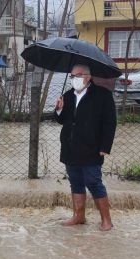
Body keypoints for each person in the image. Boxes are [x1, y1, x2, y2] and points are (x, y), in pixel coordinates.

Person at [54, 64, 117, 231]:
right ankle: (79, 216)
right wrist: (59, 110)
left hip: (92, 147)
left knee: (93, 182)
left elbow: (110, 123)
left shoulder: (103, 95)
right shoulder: (67, 95)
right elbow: (61, 120)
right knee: (75, 182)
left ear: (88, 76)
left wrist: (105, 146)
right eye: (72, 76)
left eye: (78, 75)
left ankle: (106, 220)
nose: (75, 79)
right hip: (70, 146)